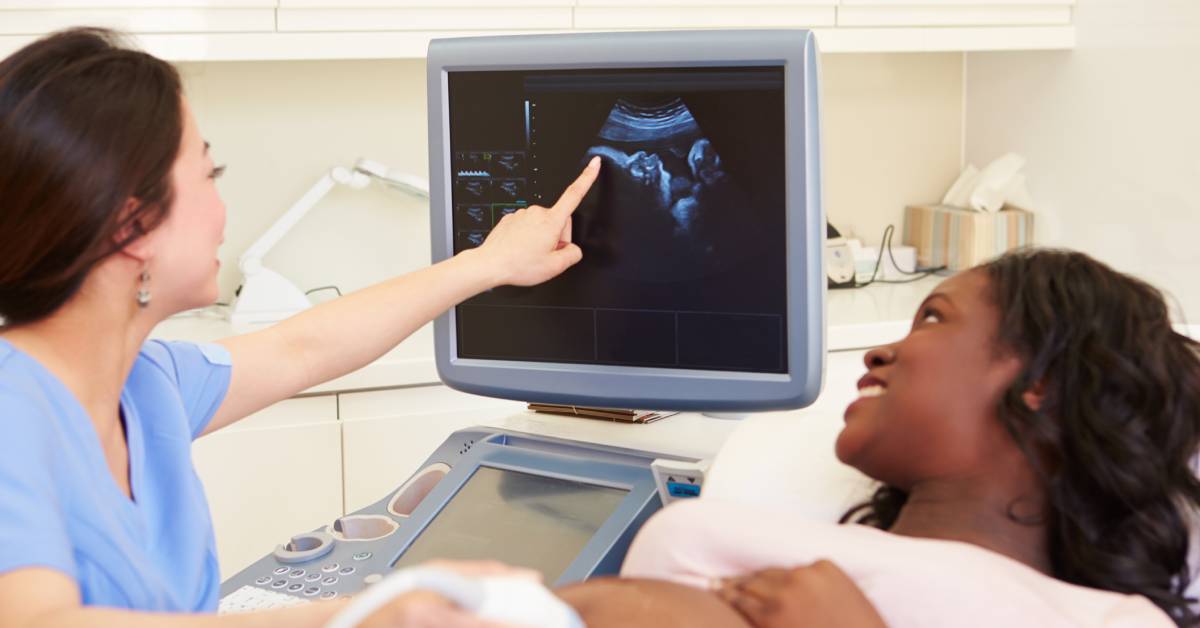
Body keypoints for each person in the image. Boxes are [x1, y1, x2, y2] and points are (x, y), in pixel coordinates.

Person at [0, 28, 597, 627]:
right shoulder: (12, 409)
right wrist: (365, 616)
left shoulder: (145, 385)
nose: (221, 208)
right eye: (210, 175)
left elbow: (303, 347)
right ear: (132, 226)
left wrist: (488, 264)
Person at [609, 248, 1200, 627]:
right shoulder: (728, 542)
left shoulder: (1111, 620)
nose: (879, 352)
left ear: (1038, 382)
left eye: (934, 318)